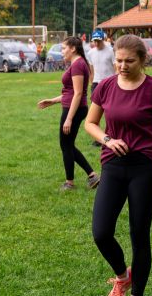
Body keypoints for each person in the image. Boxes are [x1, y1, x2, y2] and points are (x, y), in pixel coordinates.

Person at [84, 34, 152, 296]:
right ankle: (122, 275)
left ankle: (137, 293)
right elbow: (90, 123)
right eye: (118, 61)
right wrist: (107, 139)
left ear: (142, 60)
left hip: (144, 168)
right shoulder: (105, 86)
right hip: (113, 166)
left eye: (129, 61)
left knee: (139, 235)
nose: (122, 66)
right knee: (101, 232)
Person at [37, 37, 100, 191]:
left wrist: (69, 118)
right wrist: (52, 101)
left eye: (64, 48)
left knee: (65, 145)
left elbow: (78, 94)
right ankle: (92, 176)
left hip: (75, 109)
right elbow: (71, 93)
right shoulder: (78, 63)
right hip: (74, 107)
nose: (62, 51)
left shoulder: (78, 64)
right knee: (68, 145)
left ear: (73, 48)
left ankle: (69, 182)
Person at [89, 29, 116, 146]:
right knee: (95, 113)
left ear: (103, 40)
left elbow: (116, 68)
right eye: (95, 41)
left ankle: (113, 133)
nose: (96, 43)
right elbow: (91, 70)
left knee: (111, 111)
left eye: (98, 41)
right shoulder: (90, 53)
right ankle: (98, 138)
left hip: (110, 83)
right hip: (96, 84)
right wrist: (91, 83)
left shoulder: (111, 51)